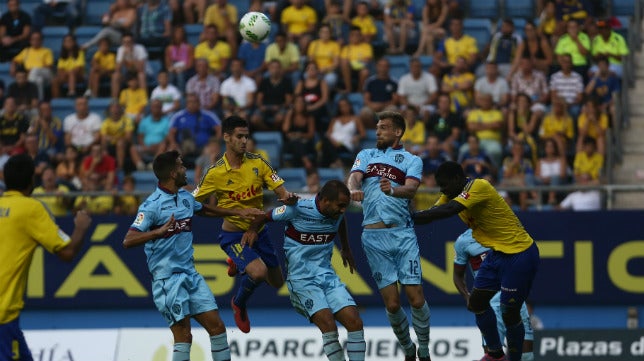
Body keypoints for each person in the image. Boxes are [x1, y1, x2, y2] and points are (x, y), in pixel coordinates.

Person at [123, 150, 263, 361]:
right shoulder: (151, 206)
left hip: (191, 275)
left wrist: (237, 212)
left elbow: (203, 209)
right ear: (172, 173)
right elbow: (128, 240)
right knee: (184, 336)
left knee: (217, 327)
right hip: (167, 280)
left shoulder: (186, 197)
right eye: (180, 166)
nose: (184, 169)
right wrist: (157, 232)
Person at [413, 161, 540, 361]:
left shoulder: (479, 186)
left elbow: (448, 210)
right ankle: (496, 354)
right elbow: (430, 214)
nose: (442, 190)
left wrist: (411, 217)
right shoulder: (451, 193)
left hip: (519, 253)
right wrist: (403, 217)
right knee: (477, 302)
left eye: (444, 185)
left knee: (509, 312)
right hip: (496, 254)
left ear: (457, 179)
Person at [192, 115, 298, 333]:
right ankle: (238, 303)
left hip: (260, 231)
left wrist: (289, 198)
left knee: (277, 283)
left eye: (246, 137)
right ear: (227, 137)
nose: (244, 141)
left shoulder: (258, 163)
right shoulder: (214, 172)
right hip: (233, 236)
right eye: (239, 137)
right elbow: (194, 206)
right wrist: (235, 212)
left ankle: (237, 262)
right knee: (258, 273)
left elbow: (281, 192)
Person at [243, 180, 367, 361]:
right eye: (340, 206)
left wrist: (346, 247)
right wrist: (252, 230)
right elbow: (263, 217)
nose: (343, 210)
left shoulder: (337, 212)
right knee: (328, 325)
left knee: (355, 322)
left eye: (345, 206)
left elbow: (341, 220)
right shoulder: (297, 208)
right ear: (324, 201)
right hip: (302, 281)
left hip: (327, 277)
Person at [347, 111, 431, 361]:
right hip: (373, 239)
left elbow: (412, 189)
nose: (378, 131)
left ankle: (424, 350)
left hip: (402, 234)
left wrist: (393, 190)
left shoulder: (411, 160)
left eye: (383, 127)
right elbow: (354, 177)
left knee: (416, 299)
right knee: (393, 304)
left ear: (397, 132)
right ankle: (408, 349)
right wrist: (354, 189)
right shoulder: (366, 155)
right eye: (377, 127)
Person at [0, 154, 91, 361]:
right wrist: (80, 228)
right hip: (3, 318)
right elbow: (67, 253)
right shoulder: (31, 208)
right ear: (32, 180)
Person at [452, 229, 534, 361]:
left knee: (527, 356)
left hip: (515, 299)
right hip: (491, 306)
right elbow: (457, 275)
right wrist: (467, 297)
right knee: (494, 357)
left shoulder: (504, 227)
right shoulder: (463, 241)